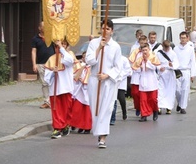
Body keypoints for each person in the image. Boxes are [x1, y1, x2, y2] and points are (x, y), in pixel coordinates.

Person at [84, 20, 125, 148]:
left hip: (108, 82)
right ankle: (98, 131)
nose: (105, 31)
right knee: (95, 108)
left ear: (112, 31)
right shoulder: (93, 43)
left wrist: (107, 75)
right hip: (95, 81)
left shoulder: (115, 47)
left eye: (107, 29)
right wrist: (99, 48)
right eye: (103, 28)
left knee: (106, 109)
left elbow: (118, 67)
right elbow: (89, 60)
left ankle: (103, 137)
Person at [44, 39, 75, 138]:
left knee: (66, 109)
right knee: (56, 110)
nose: (60, 46)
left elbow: (70, 62)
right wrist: (53, 72)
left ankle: (65, 125)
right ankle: (57, 129)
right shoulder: (51, 59)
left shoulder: (68, 55)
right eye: (57, 46)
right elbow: (46, 78)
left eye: (63, 44)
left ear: (66, 46)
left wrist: (61, 48)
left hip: (66, 87)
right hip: (55, 89)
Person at [131, 39, 160, 122]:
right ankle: (144, 115)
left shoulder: (153, 58)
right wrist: (139, 68)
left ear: (149, 50)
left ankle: (155, 110)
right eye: (143, 50)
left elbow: (155, 68)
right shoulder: (140, 59)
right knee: (143, 100)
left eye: (146, 50)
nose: (144, 52)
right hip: (143, 81)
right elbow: (134, 68)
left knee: (153, 99)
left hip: (151, 81)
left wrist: (148, 62)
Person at [31, 22, 55, 109]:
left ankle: (54, 101)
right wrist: (34, 64)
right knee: (45, 83)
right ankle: (47, 101)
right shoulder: (35, 39)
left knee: (53, 82)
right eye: (43, 27)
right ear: (39, 28)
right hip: (41, 63)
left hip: (52, 63)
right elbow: (34, 51)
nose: (45, 28)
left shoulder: (51, 37)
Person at [173, 31, 196, 114]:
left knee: (185, 89)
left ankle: (183, 106)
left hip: (186, 70)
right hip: (178, 71)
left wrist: (193, 74)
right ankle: (179, 102)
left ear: (187, 38)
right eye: (181, 38)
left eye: (184, 38)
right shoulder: (175, 48)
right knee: (177, 89)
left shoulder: (190, 49)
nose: (183, 39)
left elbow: (192, 61)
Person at [157, 40, 179, 114]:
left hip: (170, 74)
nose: (166, 49)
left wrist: (172, 65)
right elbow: (156, 63)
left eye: (167, 47)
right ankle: (159, 106)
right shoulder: (159, 53)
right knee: (160, 90)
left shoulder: (173, 54)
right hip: (162, 74)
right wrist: (159, 67)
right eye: (165, 47)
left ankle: (168, 107)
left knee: (170, 91)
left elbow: (176, 63)